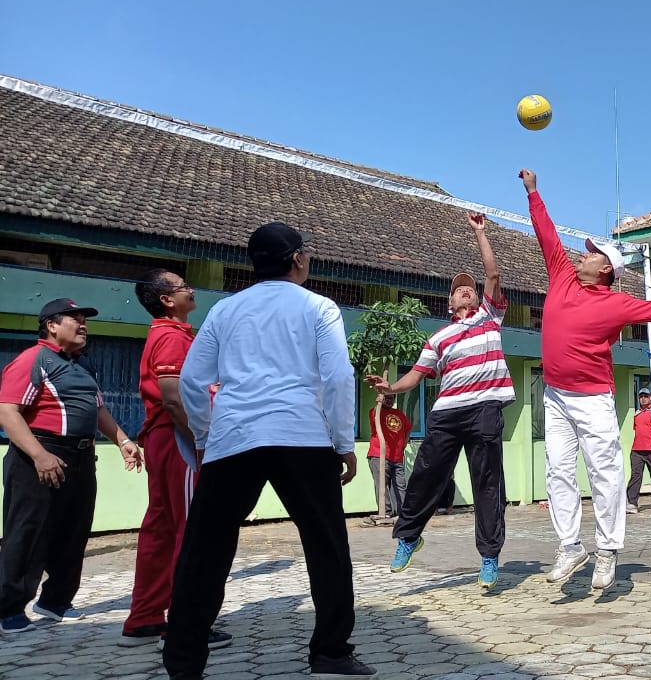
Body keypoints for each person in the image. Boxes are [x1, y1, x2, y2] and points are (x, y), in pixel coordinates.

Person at [163, 222, 374, 680]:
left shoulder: (224, 310)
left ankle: (183, 663)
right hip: (301, 434)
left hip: (233, 436)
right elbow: (338, 378)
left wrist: (204, 439)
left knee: (205, 551)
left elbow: (192, 383)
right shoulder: (319, 307)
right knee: (326, 546)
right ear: (297, 259)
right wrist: (342, 442)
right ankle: (331, 655)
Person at [521, 168, 651, 591]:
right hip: (556, 396)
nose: (581, 254)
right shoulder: (562, 276)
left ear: (605, 269)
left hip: (593, 398)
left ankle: (606, 551)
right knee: (557, 472)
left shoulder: (617, 303)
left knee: (605, 475)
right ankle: (569, 547)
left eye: (591, 253)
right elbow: (545, 232)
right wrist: (533, 192)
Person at [366, 212, 513, 589]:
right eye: (458, 289)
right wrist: (391, 388)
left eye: (470, 288)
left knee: (487, 482)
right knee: (425, 475)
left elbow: (492, 274)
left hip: (483, 409)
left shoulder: (489, 317)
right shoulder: (439, 338)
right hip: (447, 413)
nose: (465, 290)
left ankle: (489, 556)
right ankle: (410, 537)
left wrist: (480, 233)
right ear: (449, 302)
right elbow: (417, 375)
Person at [0, 299, 143, 634]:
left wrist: (123, 440)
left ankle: (55, 601)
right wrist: (39, 455)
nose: (82, 325)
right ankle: (8, 609)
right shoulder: (34, 360)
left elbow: (99, 411)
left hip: (80, 458)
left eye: (85, 320)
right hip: (40, 454)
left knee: (73, 533)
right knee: (28, 532)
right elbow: (8, 412)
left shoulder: (83, 365)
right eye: (74, 319)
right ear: (51, 325)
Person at [120, 271, 232, 650]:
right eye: (182, 285)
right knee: (192, 532)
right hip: (178, 439)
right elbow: (172, 397)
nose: (190, 289)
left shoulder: (175, 333)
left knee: (163, 530)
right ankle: (188, 624)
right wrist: (201, 443)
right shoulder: (170, 336)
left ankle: (145, 618)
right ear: (167, 299)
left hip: (165, 439)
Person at [367, 393, 409, 518]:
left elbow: (408, 429)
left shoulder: (399, 414)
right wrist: (378, 404)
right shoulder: (376, 411)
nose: (389, 400)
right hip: (378, 454)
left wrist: (403, 444)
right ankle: (386, 512)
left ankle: (403, 513)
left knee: (400, 485)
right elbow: (374, 415)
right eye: (387, 398)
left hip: (397, 457)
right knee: (382, 485)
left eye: (392, 398)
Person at [626, 387, 651, 514]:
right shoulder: (636, 414)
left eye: (646, 396)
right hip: (637, 450)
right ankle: (632, 503)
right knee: (635, 476)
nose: (643, 398)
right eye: (641, 396)